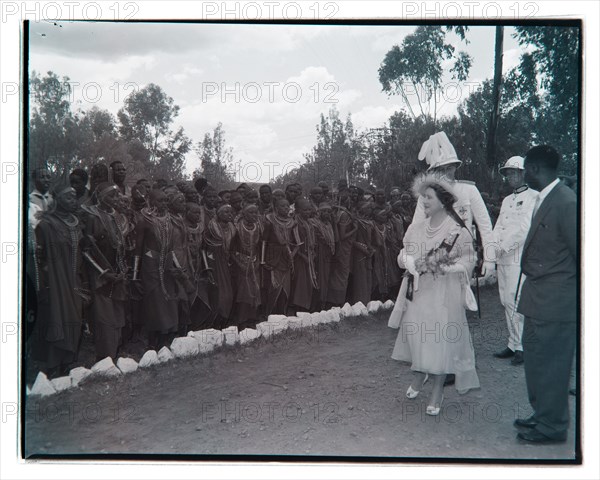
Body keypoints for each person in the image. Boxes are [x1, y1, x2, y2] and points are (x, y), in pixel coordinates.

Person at [390, 173, 479, 415]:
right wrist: (406, 261)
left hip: (443, 292)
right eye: (423, 197)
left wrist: (448, 267)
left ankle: (438, 390)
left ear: (443, 200)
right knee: (419, 336)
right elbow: (402, 254)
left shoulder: (457, 230)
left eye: (428, 197)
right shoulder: (416, 228)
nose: (424, 201)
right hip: (418, 291)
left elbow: (469, 260)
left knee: (440, 341)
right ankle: (420, 375)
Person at [514, 145, 577, 444]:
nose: (524, 175)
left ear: (535, 169)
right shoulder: (547, 198)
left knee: (552, 366)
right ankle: (543, 415)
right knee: (538, 362)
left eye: (526, 169)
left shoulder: (566, 202)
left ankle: (553, 426)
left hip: (556, 303)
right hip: (539, 299)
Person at [413, 132, 495, 282]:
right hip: (434, 256)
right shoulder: (425, 196)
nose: (448, 173)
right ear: (434, 172)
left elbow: (485, 226)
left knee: (457, 302)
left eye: (451, 167)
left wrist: (490, 259)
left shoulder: (469, 189)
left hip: (462, 257)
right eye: (442, 169)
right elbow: (416, 228)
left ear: (456, 167)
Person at [31, 175, 89, 378]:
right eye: (68, 198)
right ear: (57, 200)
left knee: (74, 318)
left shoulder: (76, 223)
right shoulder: (45, 225)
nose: (73, 201)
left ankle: (68, 362)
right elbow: (39, 259)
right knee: (57, 319)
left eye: (75, 197)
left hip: (74, 279)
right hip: (55, 281)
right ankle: (52, 365)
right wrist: (44, 286)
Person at [492, 156, 538, 366]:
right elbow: (499, 226)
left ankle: (523, 347)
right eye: (507, 173)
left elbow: (524, 229)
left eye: (513, 172)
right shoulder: (506, 200)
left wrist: (503, 247)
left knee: (515, 300)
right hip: (502, 257)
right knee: (505, 300)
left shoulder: (533, 197)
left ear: (523, 173)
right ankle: (513, 344)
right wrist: (492, 247)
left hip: (518, 257)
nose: (509, 176)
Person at [81, 182, 128, 361]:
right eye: (112, 196)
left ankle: (114, 355)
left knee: (117, 316)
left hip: (118, 275)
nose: (116, 199)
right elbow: (86, 250)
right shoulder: (92, 216)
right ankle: (104, 358)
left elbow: (121, 246)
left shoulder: (116, 216)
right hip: (101, 277)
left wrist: (122, 270)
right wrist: (104, 272)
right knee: (104, 319)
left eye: (117, 196)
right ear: (100, 197)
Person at [133, 189, 180, 349]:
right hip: (150, 265)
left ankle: (166, 339)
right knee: (154, 302)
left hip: (167, 265)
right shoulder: (144, 220)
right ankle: (153, 342)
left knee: (169, 301)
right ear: (151, 202)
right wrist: (135, 274)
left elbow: (171, 247)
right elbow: (139, 248)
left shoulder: (169, 219)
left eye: (166, 201)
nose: (164, 204)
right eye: (161, 201)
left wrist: (176, 266)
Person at [230, 204, 263, 329]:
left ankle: (252, 317)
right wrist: (240, 263)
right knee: (243, 291)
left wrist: (258, 261)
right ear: (244, 214)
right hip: (240, 262)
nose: (254, 215)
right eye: (251, 213)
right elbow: (231, 250)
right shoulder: (237, 228)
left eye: (256, 213)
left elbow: (260, 247)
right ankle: (241, 319)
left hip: (254, 262)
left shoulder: (258, 227)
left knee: (255, 289)